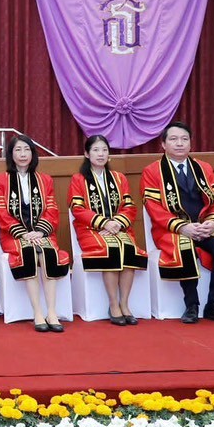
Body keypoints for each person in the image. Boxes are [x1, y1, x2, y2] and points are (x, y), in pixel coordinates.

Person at [141, 122, 214, 324]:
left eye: (184, 139)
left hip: (203, 227)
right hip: (171, 230)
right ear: (163, 144)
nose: (179, 144)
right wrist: (182, 227)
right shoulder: (152, 171)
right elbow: (153, 208)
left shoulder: (203, 168)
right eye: (174, 139)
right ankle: (191, 305)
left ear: (190, 143)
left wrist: (212, 223)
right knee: (184, 247)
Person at [0, 133, 69, 332]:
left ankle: (51, 312)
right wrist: (23, 234)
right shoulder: (2, 180)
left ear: (33, 154)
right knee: (29, 253)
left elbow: (51, 209)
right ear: (11, 154)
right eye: (18, 150)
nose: (23, 154)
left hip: (43, 234)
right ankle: (37, 312)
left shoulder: (45, 180)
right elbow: (1, 212)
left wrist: (41, 232)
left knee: (48, 253)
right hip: (13, 235)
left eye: (26, 149)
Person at [68, 134, 147, 325]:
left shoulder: (119, 178)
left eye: (104, 150)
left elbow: (129, 206)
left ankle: (125, 304)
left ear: (109, 154)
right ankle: (113, 304)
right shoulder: (78, 179)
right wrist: (104, 223)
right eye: (95, 150)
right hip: (90, 230)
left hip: (119, 228)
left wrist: (117, 223)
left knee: (129, 249)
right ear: (87, 154)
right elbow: (78, 209)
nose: (100, 154)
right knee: (111, 249)